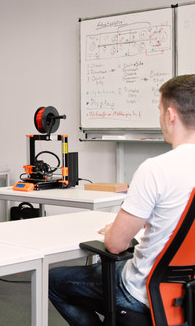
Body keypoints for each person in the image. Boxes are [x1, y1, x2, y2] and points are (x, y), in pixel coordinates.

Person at [48, 74, 195, 325]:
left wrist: (117, 230)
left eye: (159, 110)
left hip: (143, 291)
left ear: (171, 115)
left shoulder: (157, 169)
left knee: (54, 281)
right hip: (188, 288)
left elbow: (116, 245)